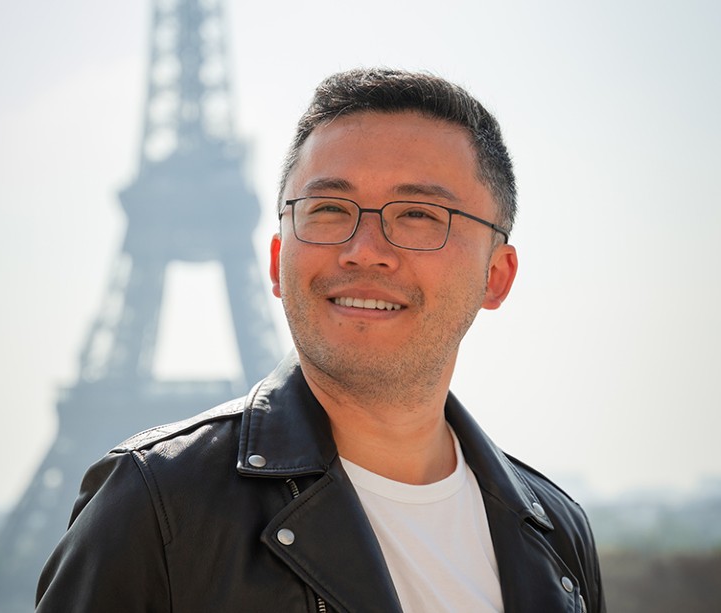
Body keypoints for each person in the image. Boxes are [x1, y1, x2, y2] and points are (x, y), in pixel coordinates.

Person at [36, 68, 605, 612]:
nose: (363, 248)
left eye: (417, 215)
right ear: (279, 258)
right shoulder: (152, 505)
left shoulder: (559, 534)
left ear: (496, 276)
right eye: (329, 209)